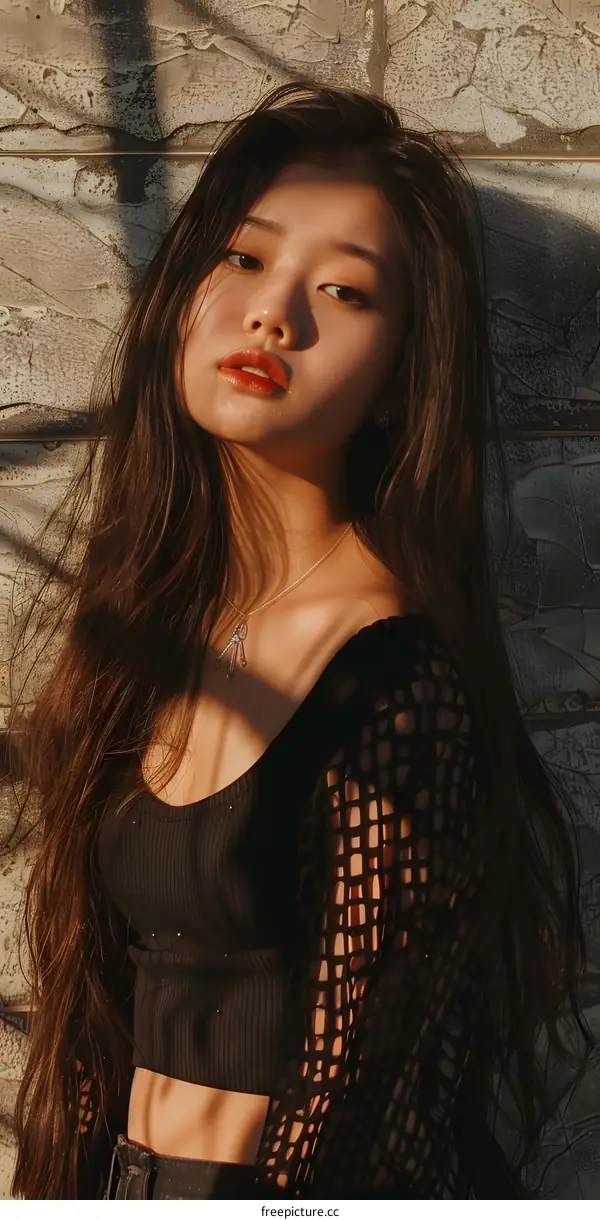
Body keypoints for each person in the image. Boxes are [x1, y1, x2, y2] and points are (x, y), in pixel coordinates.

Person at [3, 81, 593, 1201]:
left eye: (344, 290)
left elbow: (359, 1101)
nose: (275, 315)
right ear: (182, 294)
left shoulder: (398, 683)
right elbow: (96, 1019)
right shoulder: (159, 629)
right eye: (243, 259)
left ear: (394, 380)